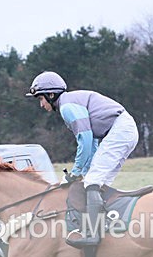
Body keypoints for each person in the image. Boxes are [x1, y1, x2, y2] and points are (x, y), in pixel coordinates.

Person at [26, 71, 139, 247]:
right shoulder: (69, 102)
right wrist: (83, 172)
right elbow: (92, 143)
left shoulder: (67, 107)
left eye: (41, 99)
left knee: (93, 181)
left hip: (120, 129)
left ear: (51, 95)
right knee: (98, 182)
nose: (41, 104)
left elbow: (85, 141)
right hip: (124, 129)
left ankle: (92, 234)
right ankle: (106, 223)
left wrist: (75, 173)